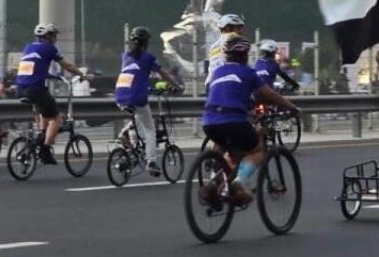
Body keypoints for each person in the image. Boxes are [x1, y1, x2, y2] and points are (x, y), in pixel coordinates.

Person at [201, 35, 299, 206]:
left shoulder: (217, 71)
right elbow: (270, 94)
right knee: (256, 148)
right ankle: (240, 182)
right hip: (234, 120)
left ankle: (214, 184)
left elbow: (221, 92)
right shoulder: (248, 72)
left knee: (228, 150)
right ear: (246, 55)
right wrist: (291, 107)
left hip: (209, 122)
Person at [14, 23, 86, 165]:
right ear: (47, 36)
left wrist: (54, 76)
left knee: (44, 109)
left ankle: (42, 135)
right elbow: (67, 66)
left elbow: (34, 69)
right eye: (53, 35)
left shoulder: (29, 47)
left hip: (20, 88)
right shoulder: (49, 48)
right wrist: (82, 74)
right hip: (35, 89)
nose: (55, 38)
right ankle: (45, 150)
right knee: (56, 119)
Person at [116, 27, 183, 175]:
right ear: (146, 43)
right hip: (136, 97)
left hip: (120, 96)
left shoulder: (125, 56)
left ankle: (131, 144)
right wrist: (177, 87)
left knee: (136, 121)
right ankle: (151, 161)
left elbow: (133, 75)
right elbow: (164, 74)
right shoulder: (148, 58)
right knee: (149, 129)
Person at [205, 13, 246, 86]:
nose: (241, 32)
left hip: (211, 83)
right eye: (238, 28)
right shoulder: (233, 44)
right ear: (228, 28)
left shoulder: (213, 46)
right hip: (226, 82)